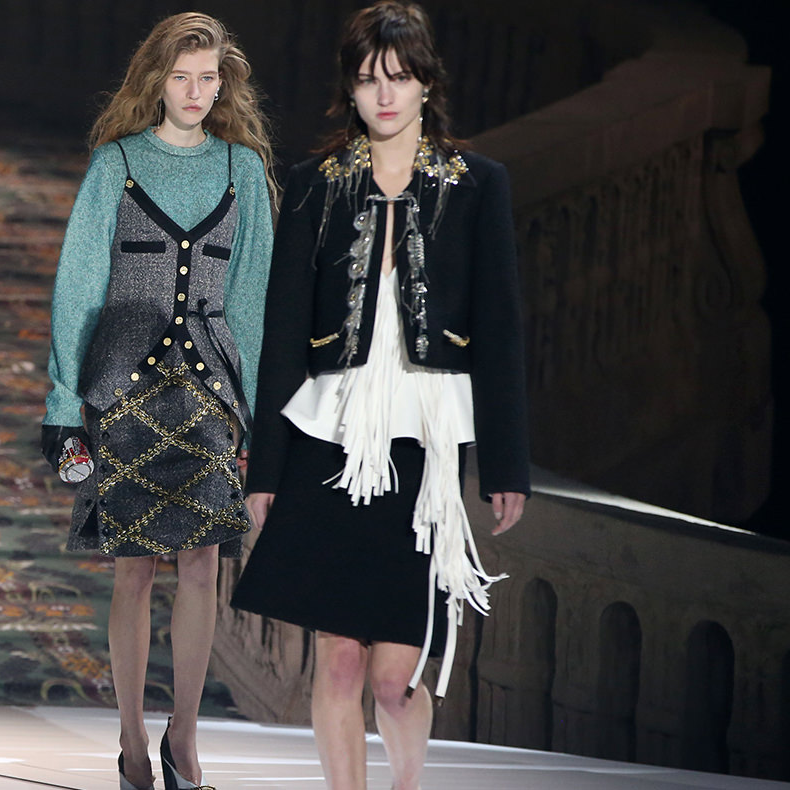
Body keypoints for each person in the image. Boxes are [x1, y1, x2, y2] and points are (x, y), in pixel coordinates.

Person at [228, 3, 530, 789]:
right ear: (350, 90)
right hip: (329, 442)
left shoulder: (476, 186)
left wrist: (506, 464)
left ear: (427, 82)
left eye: (399, 77)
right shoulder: (315, 186)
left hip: (422, 448)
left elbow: (500, 331)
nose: (385, 95)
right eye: (368, 80)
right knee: (337, 660)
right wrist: (265, 467)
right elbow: (284, 331)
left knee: (396, 677)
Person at [40, 13, 275, 789]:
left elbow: (251, 301)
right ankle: (133, 738)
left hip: (211, 391)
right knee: (134, 567)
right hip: (124, 390)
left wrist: (259, 418)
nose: (196, 91)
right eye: (182, 76)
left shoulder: (243, 170)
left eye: (208, 78)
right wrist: (62, 404)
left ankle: (184, 737)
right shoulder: (116, 164)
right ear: (157, 79)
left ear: (224, 83)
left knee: (203, 564)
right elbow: (79, 287)